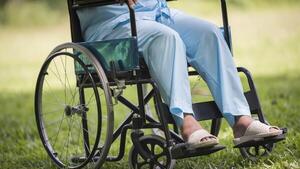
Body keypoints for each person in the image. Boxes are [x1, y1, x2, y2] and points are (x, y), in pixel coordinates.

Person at [77, 0, 282, 149]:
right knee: (166, 37)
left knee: (208, 33)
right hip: (111, 21)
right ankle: (187, 123)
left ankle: (241, 121)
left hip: (157, 11)